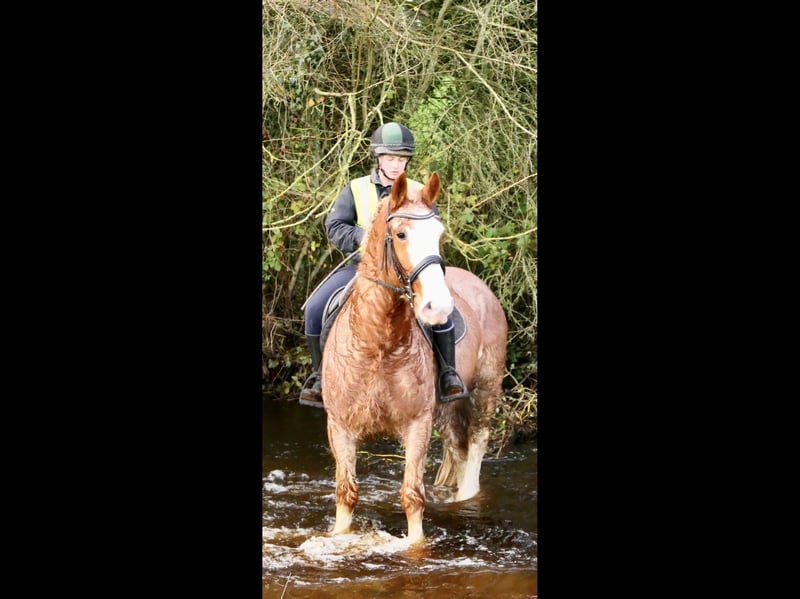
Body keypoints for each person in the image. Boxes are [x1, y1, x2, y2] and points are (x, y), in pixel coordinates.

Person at [299, 122, 469, 407]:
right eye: (390, 158)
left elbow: (431, 229)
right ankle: (319, 376)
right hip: (363, 267)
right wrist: (365, 237)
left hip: (409, 271)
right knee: (315, 308)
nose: (396, 164)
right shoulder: (356, 189)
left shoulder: (419, 191)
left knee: (441, 308)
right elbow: (335, 225)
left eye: (401, 159)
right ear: (377, 157)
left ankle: (447, 373)